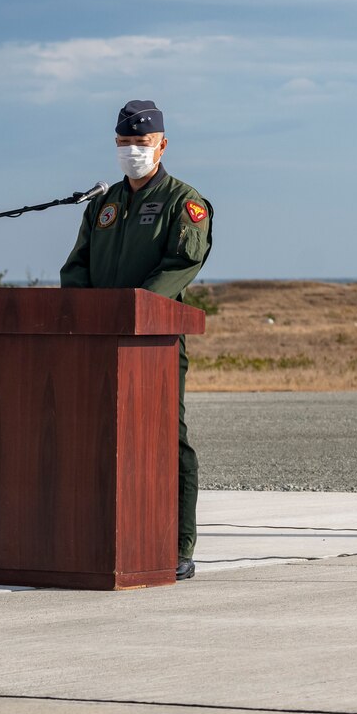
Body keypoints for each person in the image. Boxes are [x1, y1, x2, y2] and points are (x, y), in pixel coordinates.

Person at [60, 100, 215, 578]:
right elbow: (77, 265)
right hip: (99, 341)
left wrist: (135, 310)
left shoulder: (183, 201)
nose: (132, 152)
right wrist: (88, 312)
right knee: (99, 435)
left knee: (168, 438)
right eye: (124, 143)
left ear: (162, 145)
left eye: (141, 143)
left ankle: (176, 544)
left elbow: (182, 263)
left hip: (155, 341)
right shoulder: (102, 205)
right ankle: (100, 535)